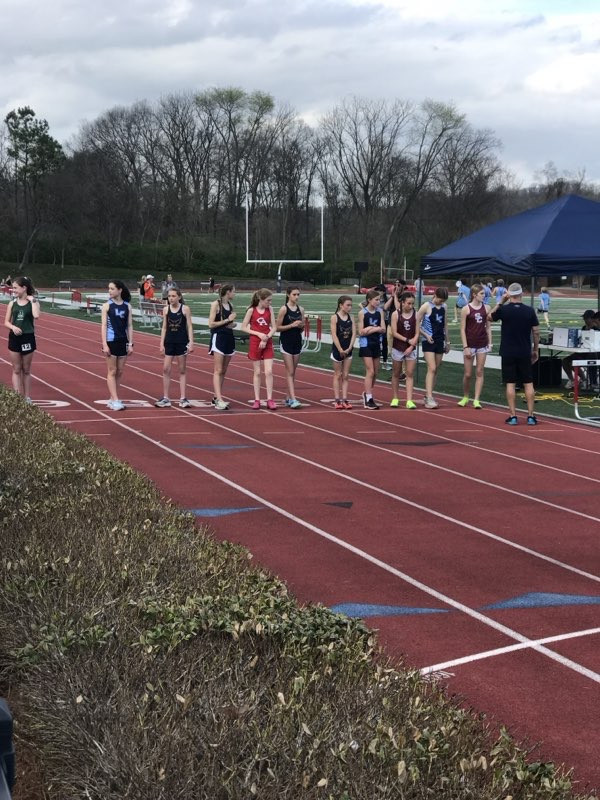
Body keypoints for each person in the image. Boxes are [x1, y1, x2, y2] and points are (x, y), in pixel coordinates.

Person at [489, 282, 540, 425]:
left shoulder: (504, 310)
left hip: (508, 351)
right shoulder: (529, 311)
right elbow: (536, 332)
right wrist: (535, 349)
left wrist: (500, 301)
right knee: (528, 383)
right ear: (521, 293)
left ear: (509, 294)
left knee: (510, 383)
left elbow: (489, 317)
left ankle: (513, 416)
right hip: (524, 351)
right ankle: (531, 416)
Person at [155, 287, 194, 409]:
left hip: (181, 342)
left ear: (179, 297)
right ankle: (166, 397)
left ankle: (183, 398)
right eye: (169, 296)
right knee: (166, 369)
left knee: (182, 370)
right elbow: (164, 327)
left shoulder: (185, 309)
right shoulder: (166, 309)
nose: (171, 298)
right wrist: (161, 343)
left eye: (173, 296)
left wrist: (191, 342)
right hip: (169, 342)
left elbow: (189, 326)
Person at [4, 276, 40, 402]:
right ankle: (17, 397)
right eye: (13, 288)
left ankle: (26, 397)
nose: (13, 290)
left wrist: (33, 300)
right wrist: (13, 327)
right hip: (14, 338)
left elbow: (36, 315)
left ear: (24, 288)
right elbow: (6, 322)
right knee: (16, 369)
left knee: (26, 369)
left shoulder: (33, 302)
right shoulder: (12, 303)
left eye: (15, 288)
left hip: (27, 338)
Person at [241, 289, 277, 410]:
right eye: (268, 300)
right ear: (261, 299)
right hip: (255, 342)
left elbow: (274, 327)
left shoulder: (270, 309)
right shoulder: (251, 310)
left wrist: (266, 337)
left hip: (267, 341)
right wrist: (259, 334)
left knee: (269, 371)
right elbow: (244, 327)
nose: (270, 303)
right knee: (257, 372)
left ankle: (270, 399)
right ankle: (257, 399)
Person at [458, 283, 492, 408]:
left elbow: (488, 327)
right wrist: (465, 346)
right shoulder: (466, 309)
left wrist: (490, 342)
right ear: (474, 295)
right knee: (468, 374)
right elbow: (462, 329)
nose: (484, 295)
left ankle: (476, 399)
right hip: (470, 344)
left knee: (479, 371)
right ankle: (466, 396)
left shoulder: (487, 308)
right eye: (481, 293)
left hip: (482, 344)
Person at [101, 280, 133, 411]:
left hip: (123, 340)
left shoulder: (127, 306)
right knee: (112, 371)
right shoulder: (107, 306)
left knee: (120, 371)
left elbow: (129, 325)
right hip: (111, 340)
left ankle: (112, 398)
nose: (109, 291)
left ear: (120, 290)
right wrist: (104, 344)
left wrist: (130, 343)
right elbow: (103, 325)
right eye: (109, 288)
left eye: (112, 289)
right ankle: (115, 400)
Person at [417, 287, 450, 409]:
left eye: (443, 301)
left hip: (439, 340)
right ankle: (430, 397)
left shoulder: (444, 307)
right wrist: (425, 335)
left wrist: (447, 341)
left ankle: (428, 394)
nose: (441, 302)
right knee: (432, 367)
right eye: (440, 300)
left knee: (435, 369)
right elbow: (416, 323)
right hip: (428, 340)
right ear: (435, 295)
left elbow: (445, 325)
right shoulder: (426, 306)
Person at [208, 284, 237, 410]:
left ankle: (216, 397)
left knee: (224, 370)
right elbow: (211, 324)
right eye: (234, 291)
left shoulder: (230, 305)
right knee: (218, 370)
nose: (235, 294)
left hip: (229, 337)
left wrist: (232, 324)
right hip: (218, 337)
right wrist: (227, 320)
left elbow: (228, 324)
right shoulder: (216, 304)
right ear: (228, 292)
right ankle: (219, 399)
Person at [389, 291, 420, 409]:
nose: (411, 306)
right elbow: (394, 332)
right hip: (398, 347)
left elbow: (417, 332)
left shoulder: (416, 314)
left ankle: (409, 400)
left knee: (410, 373)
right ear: (402, 303)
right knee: (396, 373)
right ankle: (395, 397)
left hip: (411, 348)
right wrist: (407, 340)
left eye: (412, 304)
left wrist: (411, 345)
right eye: (408, 303)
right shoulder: (395, 314)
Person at [276, 286, 305, 408]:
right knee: (290, 371)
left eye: (298, 294)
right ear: (288, 295)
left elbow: (302, 327)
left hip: (297, 341)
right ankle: (293, 399)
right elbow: (277, 328)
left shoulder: (301, 309)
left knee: (293, 371)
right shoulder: (284, 309)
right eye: (294, 294)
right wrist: (292, 325)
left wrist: (300, 326)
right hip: (286, 341)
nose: (297, 297)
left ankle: (288, 397)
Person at [358, 289, 386, 409]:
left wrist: (371, 328)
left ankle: (367, 392)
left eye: (379, 300)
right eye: (376, 300)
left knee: (375, 372)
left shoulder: (380, 312)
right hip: (366, 344)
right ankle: (369, 398)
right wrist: (375, 328)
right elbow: (361, 332)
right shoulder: (362, 313)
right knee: (370, 371)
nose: (378, 302)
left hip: (377, 343)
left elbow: (383, 329)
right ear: (369, 300)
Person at [330, 295, 356, 409]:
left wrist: (350, 347)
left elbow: (354, 333)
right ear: (341, 305)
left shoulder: (351, 317)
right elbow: (334, 334)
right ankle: (337, 399)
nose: (350, 307)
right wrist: (340, 349)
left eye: (351, 305)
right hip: (338, 349)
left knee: (345, 375)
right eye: (347, 305)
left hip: (348, 349)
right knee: (337, 374)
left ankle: (345, 399)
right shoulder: (334, 317)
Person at [562, 310, 598, 389]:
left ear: (592, 319)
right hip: (582, 352)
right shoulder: (584, 327)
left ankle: (592, 382)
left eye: (586, 318)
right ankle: (573, 380)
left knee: (589, 358)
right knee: (565, 361)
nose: (584, 320)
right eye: (584, 318)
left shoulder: (596, 329)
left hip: (592, 353)